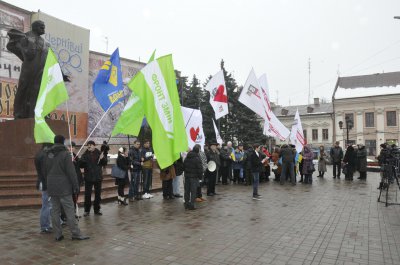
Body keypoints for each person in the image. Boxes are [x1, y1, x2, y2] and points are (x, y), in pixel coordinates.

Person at [45, 135, 89, 241]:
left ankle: (58, 235)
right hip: (64, 186)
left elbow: (44, 170)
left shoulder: (48, 154)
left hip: (51, 185)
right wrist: (76, 185)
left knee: (55, 211)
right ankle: (76, 234)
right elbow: (71, 172)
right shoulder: (65, 154)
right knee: (69, 210)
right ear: (63, 142)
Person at [6, 20, 50, 119]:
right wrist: (30, 43)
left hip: (40, 71)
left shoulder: (46, 44)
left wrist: (61, 74)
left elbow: (51, 59)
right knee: (23, 90)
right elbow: (28, 55)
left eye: (44, 27)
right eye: (41, 27)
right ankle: (18, 114)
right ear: (34, 27)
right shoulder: (25, 37)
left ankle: (36, 114)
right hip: (28, 70)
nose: (43, 29)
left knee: (39, 92)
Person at [80, 140, 108, 216]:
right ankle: (87, 210)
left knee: (98, 195)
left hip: (97, 177)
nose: (89, 146)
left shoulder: (99, 153)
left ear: (94, 146)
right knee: (87, 195)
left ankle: (97, 209)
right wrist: (81, 161)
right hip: (88, 178)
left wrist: (102, 158)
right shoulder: (85, 154)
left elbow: (105, 163)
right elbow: (81, 165)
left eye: (91, 145)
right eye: (88, 145)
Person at [34, 143, 53, 234]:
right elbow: (46, 171)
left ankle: (46, 225)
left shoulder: (39, 154)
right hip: (46, 183)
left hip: (42, 182)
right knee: (47, 205)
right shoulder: (45, 156)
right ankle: (45, 226)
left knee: (46, 204)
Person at [183, 145, 203, 210]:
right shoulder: (197, 158)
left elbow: (184, 166)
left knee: (187, 191)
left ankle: (186, 204)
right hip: (194, 177)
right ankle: (192, 205)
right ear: (198, 151)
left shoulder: (187, 157)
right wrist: (200, 177)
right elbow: (200, 169)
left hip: (187, 177)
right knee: (193, 191)